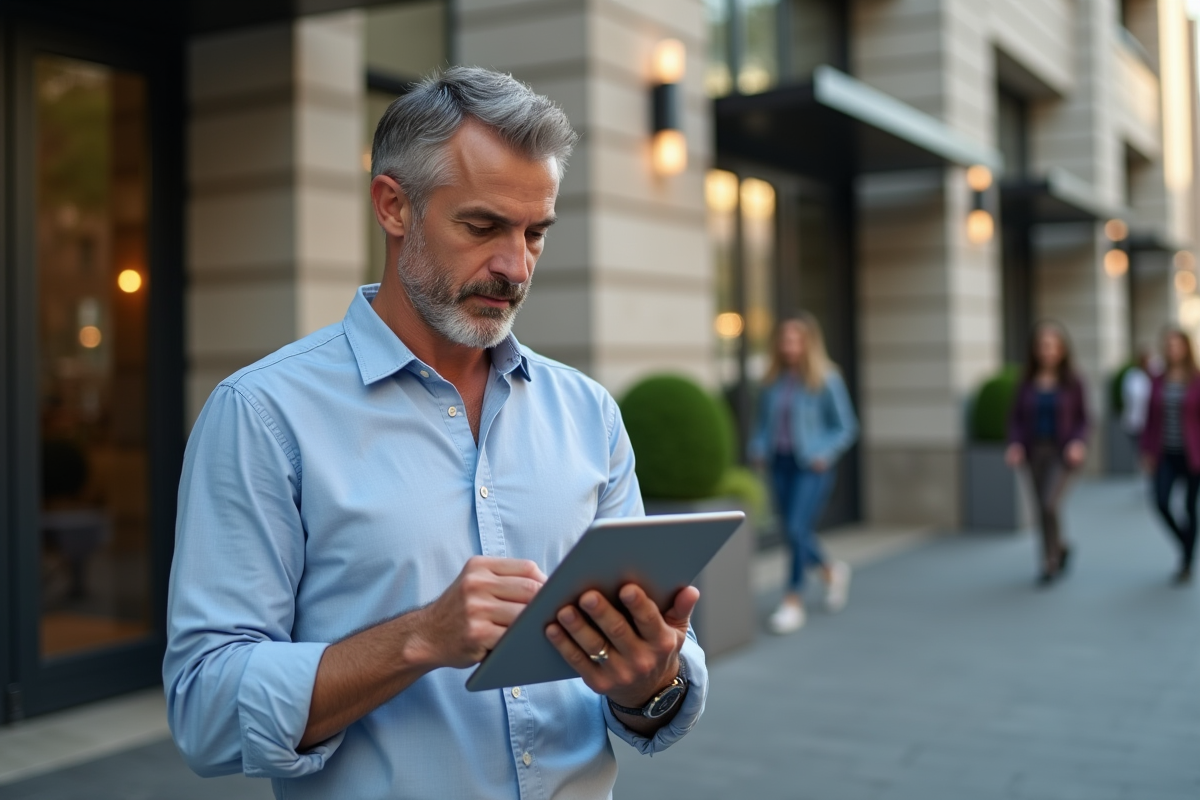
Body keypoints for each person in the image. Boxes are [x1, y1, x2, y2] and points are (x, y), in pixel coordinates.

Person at [163, 67, 708, 799]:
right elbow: (205, 709)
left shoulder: (588, 414)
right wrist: (419, 637)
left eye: (535, 234)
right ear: (393, 206)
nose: (515, 267)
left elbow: (657, 693)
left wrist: (655, 680)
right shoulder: (264, 416)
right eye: (482, 227)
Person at [748, 314, 858, 635]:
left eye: (795, 340)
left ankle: (792, 600)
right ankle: (830, 570)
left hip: (811, 466)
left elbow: (846, 426)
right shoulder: (772, 380)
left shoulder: (826, 379)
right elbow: (763, 425)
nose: (788, 346)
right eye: (784, 339)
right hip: (779, 463)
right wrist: (757, 446)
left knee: (796, 529)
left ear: (809, 343)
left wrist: (824, 452)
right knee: (793, 530)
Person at [1005, 321, 1090, 585]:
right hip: (1034, 451)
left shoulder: (1073, 381)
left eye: (1053, 346)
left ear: (1062, 349)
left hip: (1061, 453)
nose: (1047, 351)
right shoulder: (1027, 381)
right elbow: (1016, 418)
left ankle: (1049, 562)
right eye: (1042, 346)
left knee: (1049, 503)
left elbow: (1084, 419)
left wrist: (1078, 442)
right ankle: (1059, 547)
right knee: (1041, 508)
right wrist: (1015, 443)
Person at [1138, 327, 1200, 585]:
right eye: (1169, 345)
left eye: (1177, 345)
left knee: (1188, 508)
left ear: (1186, 348)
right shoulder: (1157, 381)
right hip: (1165, 453)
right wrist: (1147, 451)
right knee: (1160, 501)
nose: (1173, 349)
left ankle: (1186, 561)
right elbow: (1149, 419)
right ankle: (1186, 542)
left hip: (1193, 454)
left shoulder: (1196, 379)